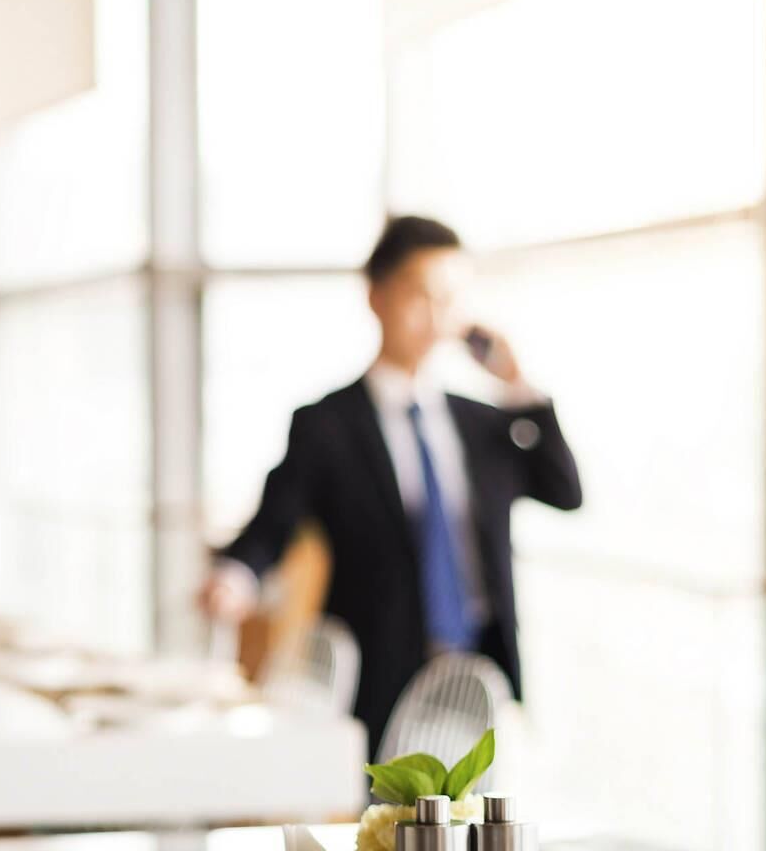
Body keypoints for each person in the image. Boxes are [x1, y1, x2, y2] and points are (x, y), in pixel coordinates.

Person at [200, 215, 583, 753]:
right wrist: (236, 577)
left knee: (470, 824)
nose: (436, 317)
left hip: (477, 675)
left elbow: (565, 491)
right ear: (377, 297)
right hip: (378, 672)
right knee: (382, 829)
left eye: (450, 300)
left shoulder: (481, 422)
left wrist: (517, 384)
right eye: (420, 296)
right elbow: (275, 522)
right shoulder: (327, 424)